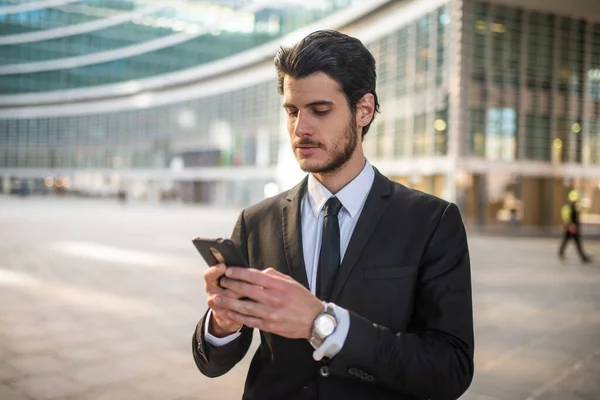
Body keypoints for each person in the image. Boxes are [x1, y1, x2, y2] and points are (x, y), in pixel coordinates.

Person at [192, 30, 474, 400]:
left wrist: (323, 324)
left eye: (320, 111)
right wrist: (223, 323)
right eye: (292, 111)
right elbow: (213, 363)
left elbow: (450, 369)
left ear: (364, 110)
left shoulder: (432, 222)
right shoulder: (255, 222)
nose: (300, 129)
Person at [559, 189, 592, 263]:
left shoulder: (572, 207)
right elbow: (569, 218)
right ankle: (583, 257)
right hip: (572, 228)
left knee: (567, 241)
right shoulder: (571, 208)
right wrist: (571, 226)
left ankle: (561, 253)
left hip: (571, 228)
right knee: (576, 243)